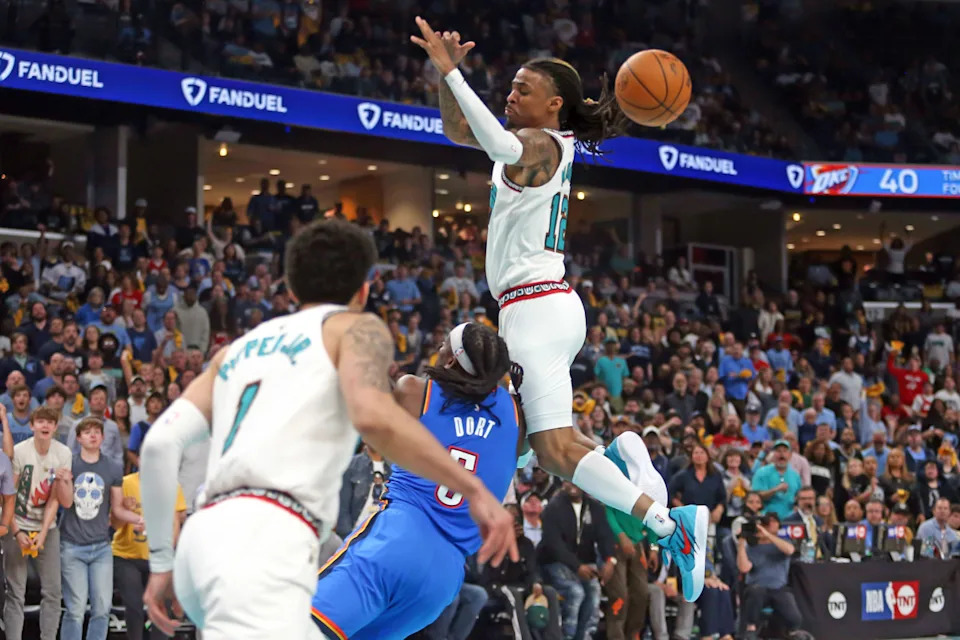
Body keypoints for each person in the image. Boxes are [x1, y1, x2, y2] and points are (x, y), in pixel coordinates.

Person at [411, 18, 707, 602]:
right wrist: (446, 81)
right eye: (512, 86)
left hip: (537, 312)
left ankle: (672, 528)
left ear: (553, 106)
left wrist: (452, 70)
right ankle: (626, 465)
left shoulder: (543, 145)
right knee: (526, 444)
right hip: (540, 308)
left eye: (523, 90)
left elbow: (495, 141)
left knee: (547, 448)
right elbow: (457, 129)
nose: (511, 94)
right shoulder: (534, 146)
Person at [139, 221, 517, 639]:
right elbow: (374, 420)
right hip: (280, 531)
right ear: (364, 291)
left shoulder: (235, 351)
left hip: (204, 535)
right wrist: (476, 491)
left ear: (292, 287)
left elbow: (158, 446)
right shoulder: (354, 330)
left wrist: (159, 560)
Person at [310, 322, 523, 639]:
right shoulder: (516, 415)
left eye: (444, 345)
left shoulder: (415, 392)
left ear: (451, 361)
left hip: (398, 539)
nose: (438, 348)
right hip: (443, 580)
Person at [59, 417, 142, 640]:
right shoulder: (69, 464)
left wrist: (137, 518)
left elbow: (117, 509)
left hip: (101, 547)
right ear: (78, 438)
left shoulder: (113, 467)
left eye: (97, 431)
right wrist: (65, 481)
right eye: (87, 432)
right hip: (72, 545)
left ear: (103, 437)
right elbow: (65, 503)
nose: (93, 435)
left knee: (102, 610)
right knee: (75, 610)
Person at [3, 407, 73, 640]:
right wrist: (17, 531)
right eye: (40, 421)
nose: (45, 426)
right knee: (15, 593)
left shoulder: (63, 453)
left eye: (49, 422)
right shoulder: (21, 452)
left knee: (53, 592)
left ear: (55, 427)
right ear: (32, 425)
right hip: (18, 523)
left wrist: (43, 534)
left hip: (47, 528)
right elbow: (8, 495)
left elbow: (59, 501)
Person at [112, 471, 188, 640]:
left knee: (162, 608)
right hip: (127, 556)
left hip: (159, 558)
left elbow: (175, 522)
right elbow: (114, 524)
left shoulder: (172, 486)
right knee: (134, 606)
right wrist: (126, 512)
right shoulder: (124, 483)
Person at [737, 512, 807, 640]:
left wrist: (768, 535)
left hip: (779, 588)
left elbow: (790, 550)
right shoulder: (751, 547)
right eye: (766, 523)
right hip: (757, 587)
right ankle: (750, 628)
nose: (768, 525)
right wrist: (741, 543)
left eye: (772, 522)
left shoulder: (783, 542)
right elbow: (744, 568)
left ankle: (790, 632)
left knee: (795, 618)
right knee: (755, 592)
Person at [752, 440, 802, 519]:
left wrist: (797, 505)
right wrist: (776, 489)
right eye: (778, 451)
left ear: (790, 455)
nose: (781, 454)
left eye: (785, 451)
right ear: (773, 454)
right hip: (767, 518)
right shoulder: (762, 472)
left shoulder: (795, 475)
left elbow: (799, 496)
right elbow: (756, 496)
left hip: (790, 519)